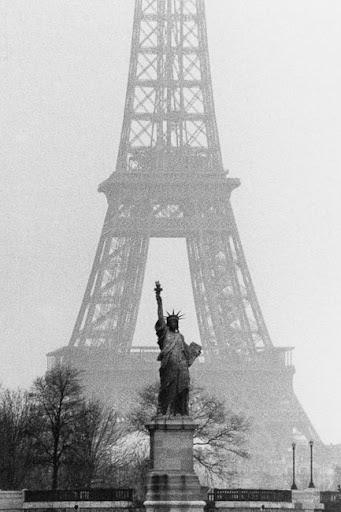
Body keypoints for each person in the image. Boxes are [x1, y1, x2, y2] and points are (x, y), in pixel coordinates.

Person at [154, 281, 201, 416]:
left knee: (183, 388)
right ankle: (164, 411)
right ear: (168, 323)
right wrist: (159, 299)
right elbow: (160, 316)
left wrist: (195, 351)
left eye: (176, 321)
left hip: (181, 367)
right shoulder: (164, 333)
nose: (174, 323)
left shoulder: (180, 336)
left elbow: (188, 354)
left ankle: (181, 411)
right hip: (169, 366)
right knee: (168, 389)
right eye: (171, 321)